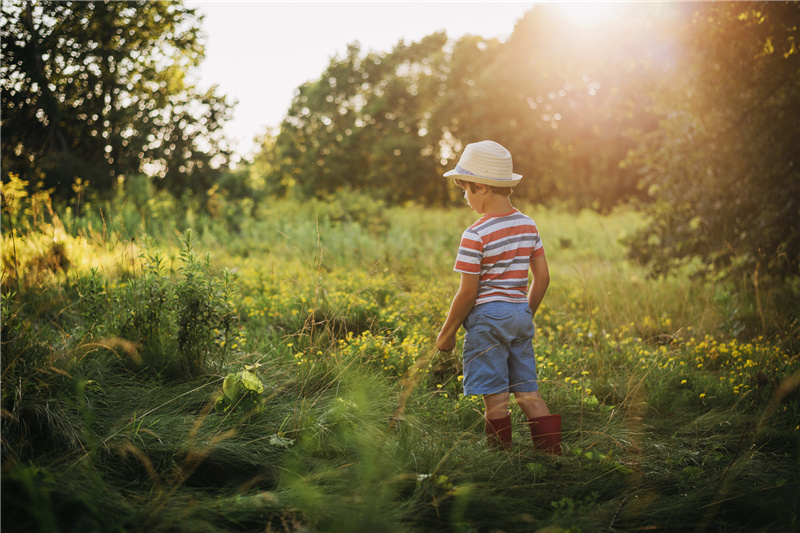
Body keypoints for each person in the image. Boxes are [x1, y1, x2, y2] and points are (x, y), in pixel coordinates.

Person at [435, 140, 561, 454]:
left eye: (464, 188)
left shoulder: (475, 234)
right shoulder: (528, 225)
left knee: (497, 400)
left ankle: (500, 462)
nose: (464, 196)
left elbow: (467, 293)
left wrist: (446, 333)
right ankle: (554, 457)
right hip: (520, 317)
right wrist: (524, 311)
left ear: (480, 187)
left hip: (488, 322)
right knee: (529, 395)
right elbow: (542, 278)